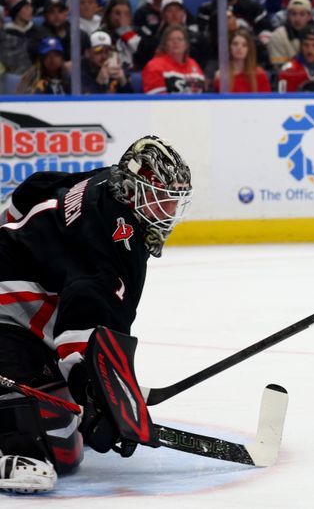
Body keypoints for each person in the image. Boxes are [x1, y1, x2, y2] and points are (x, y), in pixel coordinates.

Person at [0, 136, 192, 494]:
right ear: (136, 191)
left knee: (67, 428)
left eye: (173, 203)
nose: (167, 213)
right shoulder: (118, 238)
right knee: (55, 443)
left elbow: (36, 185)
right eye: (161, 201)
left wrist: (102, 392)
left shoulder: (109, 181)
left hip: (28, 299)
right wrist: (95, 393)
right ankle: (16, 453)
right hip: (9, 301)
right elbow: (87, 308)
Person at [141, 24, 205, 94]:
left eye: (180, 39)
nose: (175, 42)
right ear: (165, 45)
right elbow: (157, 99)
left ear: (186, 45)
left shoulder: (193, 64)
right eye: (171, 39)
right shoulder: (154, 65)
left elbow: (202, 93)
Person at [277, 23, 314, 92]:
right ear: (300, 47)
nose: (310, 50)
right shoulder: (289, 70)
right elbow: (284, 100)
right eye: (306, 45)